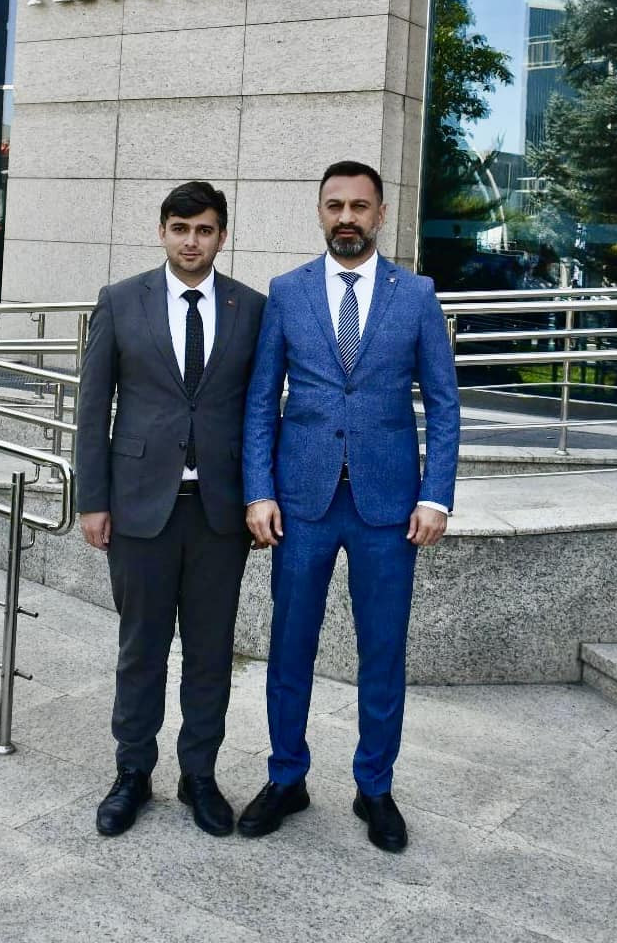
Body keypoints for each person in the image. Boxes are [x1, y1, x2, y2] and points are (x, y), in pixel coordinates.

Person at [240, 160, 460, 852]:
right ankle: (286, 777)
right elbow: (260, 402)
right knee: (289, 646)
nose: (346, 217)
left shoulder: (416, 295)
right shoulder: (287, 292)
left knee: (383, 651)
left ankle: (375, 787)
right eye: (334, 205)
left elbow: (445, 405)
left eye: (359, 206)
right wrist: (258, 491)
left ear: (380, 214)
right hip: (300, 502)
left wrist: (436, 495)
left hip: (389, 507)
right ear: (320, 212)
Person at [76, 181, 265, 838]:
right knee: (142, 650)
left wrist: (260, 496)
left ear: (222, 236)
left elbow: (261, 412)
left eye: (204, 230)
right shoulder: (120, 300)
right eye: (180, 228)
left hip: (219, 515)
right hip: (139, 509)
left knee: (211, 654)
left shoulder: (251, 309)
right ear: (162, 231)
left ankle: (199, 776)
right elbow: (93, 406)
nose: (191, 241)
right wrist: (92, 500)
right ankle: (132, 773)